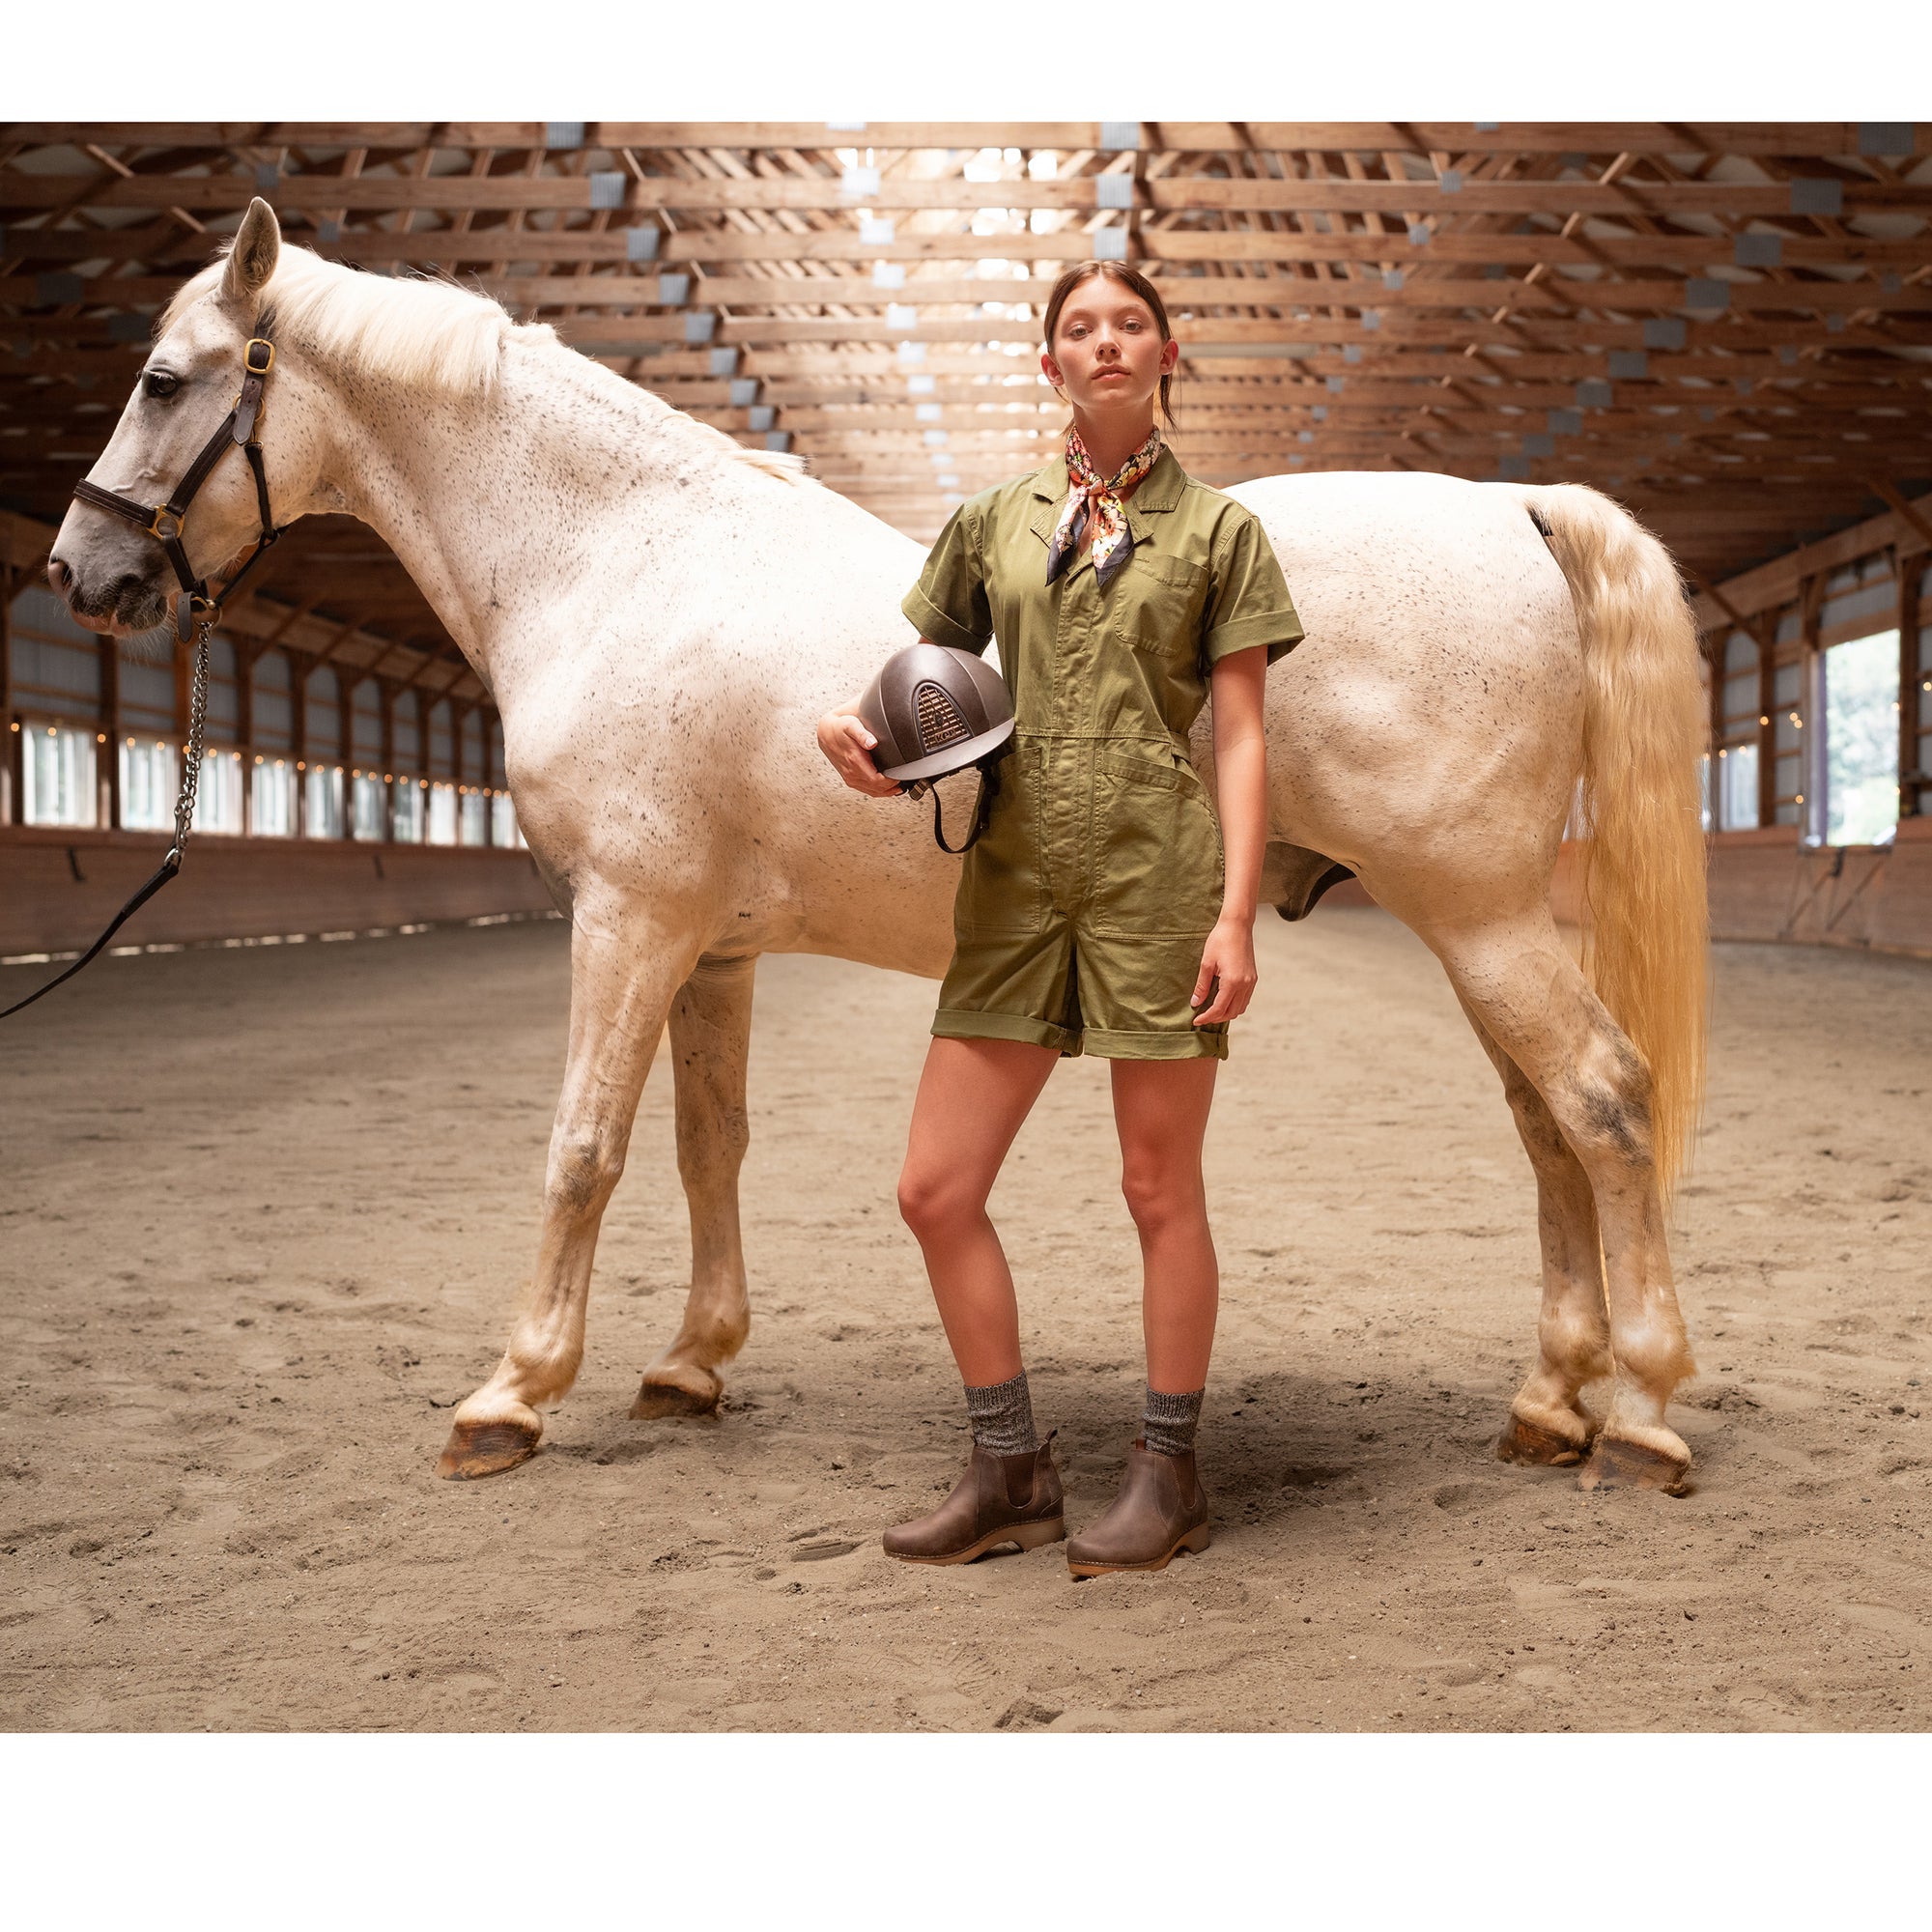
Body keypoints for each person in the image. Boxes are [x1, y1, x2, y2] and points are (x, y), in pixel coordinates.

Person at [816, 261, 1303, 1576]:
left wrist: (1236, 915)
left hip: (1155, 878)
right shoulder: (991, 523)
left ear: (1166, 355)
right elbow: (912, 683)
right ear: (1051, 365)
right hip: (1018, 879)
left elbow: (1244, 735)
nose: (1105, 344)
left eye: (1128, 325)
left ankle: (1168, 1470)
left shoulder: (1219, 535)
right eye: (1079, 329)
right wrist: (852, 737)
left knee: (1158, 1186)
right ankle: (1010, 1468)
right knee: (934, 1187)